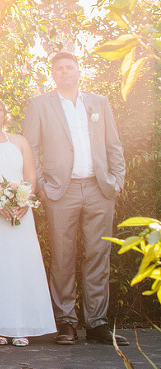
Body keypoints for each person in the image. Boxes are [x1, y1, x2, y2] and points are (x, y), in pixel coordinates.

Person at [22, 51, 128, 346]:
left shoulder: (99, 103)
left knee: (98, 255)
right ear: (53, 74)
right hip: (60, 190)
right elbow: (29, 148)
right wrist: (41, 185)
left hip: (99, 188)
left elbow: (113, 144)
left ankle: (97, 322)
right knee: (63, 256)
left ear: (79, 71)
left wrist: (116, 180)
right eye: (60, 69)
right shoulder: (40, 105)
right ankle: (66, 321)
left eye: (70, 67)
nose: (66, 72)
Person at [0, 96, 56, 346]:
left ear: (6, 114)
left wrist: (24, 201)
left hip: (19, 211)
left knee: (18, 264)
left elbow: (30, 174)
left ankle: (20, 325)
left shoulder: (20, 141)